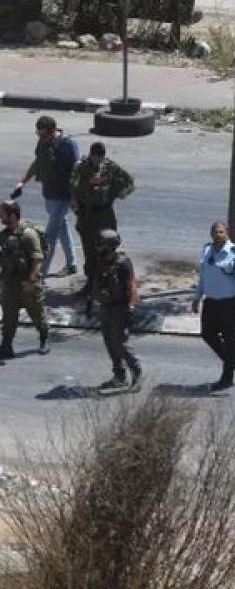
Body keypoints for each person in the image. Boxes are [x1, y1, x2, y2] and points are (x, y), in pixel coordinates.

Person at [192, 221, 235, 391]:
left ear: (227, 233)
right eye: (215, 232)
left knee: (229, 338)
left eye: (221, 232)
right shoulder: (207, 251)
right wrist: (196, 298)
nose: (218, 235)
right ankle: (231, 361)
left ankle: (227, 377)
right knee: (207, 334)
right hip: (211, 302)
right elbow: (203, 277)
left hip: (230, 303)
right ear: (211, 234)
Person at [12, 116, 80, 279]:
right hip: (49, 193)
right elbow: (37, 163)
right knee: (62, 228)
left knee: (50, 235)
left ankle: (40, 272)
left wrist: (74, 198)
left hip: (63, 196)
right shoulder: (43, 143)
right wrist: (22, 182)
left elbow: (76, 174)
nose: (40, 138)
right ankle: (72, 264)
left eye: (43, 135)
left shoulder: (67, 145)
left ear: (53, 130)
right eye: (39, 135)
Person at [70, 142, 134, 299]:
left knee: (108, 249)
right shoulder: (81, 167)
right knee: (89, 251)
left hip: (105, 213)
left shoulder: (110, 167)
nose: (98, 161)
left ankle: (108, 284)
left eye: (101, 158)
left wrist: (120, 194)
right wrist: (76, 206)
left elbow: (129, 182)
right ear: (91, 155)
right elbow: (72, 187)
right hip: (88, 214)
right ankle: (90, 283)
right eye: (95, 157)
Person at [92, 229, 141, 390]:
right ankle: (119, 376)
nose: (98, 247)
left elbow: (132, 287)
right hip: (105, 307)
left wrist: (130, 308)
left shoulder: (123, 264)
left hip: (119, 308)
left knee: (122, 344)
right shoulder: (101, 260)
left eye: (101, 244)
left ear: (109, 246)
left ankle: (136, 372)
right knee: (110, 343)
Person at [0, 201, 49, 358]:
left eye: (3, 214)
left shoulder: (28, 234)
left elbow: (37, 259)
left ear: (12, 215)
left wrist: (31, 281)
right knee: (8, 315)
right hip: (10, 283)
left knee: (36, 313)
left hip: (28, 282)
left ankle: (44, 338)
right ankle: (6, 345)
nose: (1, 217)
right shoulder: (4, 235)